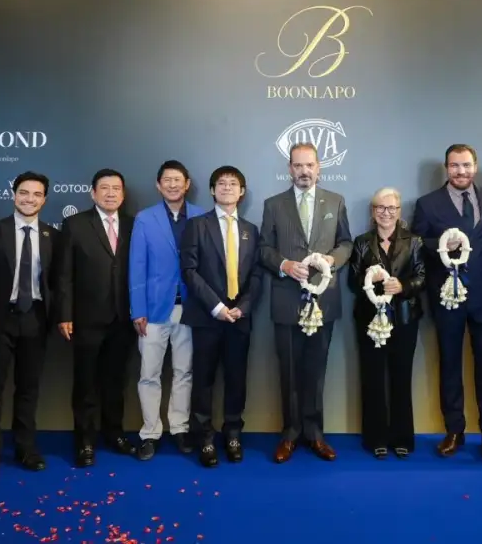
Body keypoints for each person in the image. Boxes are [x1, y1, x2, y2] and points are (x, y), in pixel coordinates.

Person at [260, 142, 353, 463]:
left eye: (309, 165)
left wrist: (332, 259)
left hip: (323, 300)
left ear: (318, 167)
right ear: (290, 168)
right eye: (298, 165)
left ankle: (314, 435)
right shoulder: (273, 205)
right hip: (287, 300)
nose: (304, 171)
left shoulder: (335, 201)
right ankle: (289, 434)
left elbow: (346, 243)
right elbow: (264, 249)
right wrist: (284, 265)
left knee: (316, 371)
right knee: (288, 371)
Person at [0, 171, 58, 485]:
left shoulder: (52, 236)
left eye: (37, 194)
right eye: (24, 193)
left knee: (28, 389)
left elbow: (56, 282)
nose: (30, 199)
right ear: (14, 195)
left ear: (44, 199)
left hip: (36, 319)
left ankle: (25, 449)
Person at [411, 144, 482, 463]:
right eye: (454, 165)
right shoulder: (427, 204)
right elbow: (416, 244)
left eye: (466, 165)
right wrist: (441, 244)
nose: (461, 171)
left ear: (475, 166)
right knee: (450, 364)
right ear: (446, 168)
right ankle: (454, 431)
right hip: (447, 297)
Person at [180, 166, 263, 468]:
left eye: (233, 183)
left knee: (236, 378)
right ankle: (204, 437)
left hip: (240, 317)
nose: (227, 187)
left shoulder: (251, 230)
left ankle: (233, 433)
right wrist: (216, 306)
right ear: (212, 190)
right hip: (207, 316)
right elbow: (189, 270)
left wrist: (244, 306)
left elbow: (256, 274)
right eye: (222, 183)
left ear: (242, 192)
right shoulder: (196, 225)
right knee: (203, 380)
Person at [55, 169, 136, 467]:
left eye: (116, 188)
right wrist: (64, 313)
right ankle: (85, 442)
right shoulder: (75, 224)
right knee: (86, 384)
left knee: (115, 382)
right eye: (104, 188)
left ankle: (114, 433)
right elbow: (63, 274)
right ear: (93, 193)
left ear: (123, 194)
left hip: (123, 318)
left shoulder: (134, 225)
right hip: (86, 318)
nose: (111, 193)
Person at [129, 160, 201, 459]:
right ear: (158, 185)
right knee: (149, 373)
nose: (172, 185)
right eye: (167, 180)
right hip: (154, 310)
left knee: (185, 372)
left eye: (177, 180)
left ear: (187, 184)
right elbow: (137, 266)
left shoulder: (201, 215)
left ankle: (180, 428)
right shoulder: (145, 219)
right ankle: (150, 432)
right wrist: (138, 309)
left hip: (191, 308)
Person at [347, 187, 425, 459]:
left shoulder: (414, 241)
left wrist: (403, 286)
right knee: (373, 378)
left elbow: (422, 277)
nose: (386, 213)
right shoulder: (361, 242)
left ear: (399, 212)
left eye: (391, 208)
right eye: (380, 207)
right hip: (370, 321)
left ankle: (402, 437)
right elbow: (352, 281)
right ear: (373, 211)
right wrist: (371, 281)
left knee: (401, 378)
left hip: (404, 318)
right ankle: (375, 438)